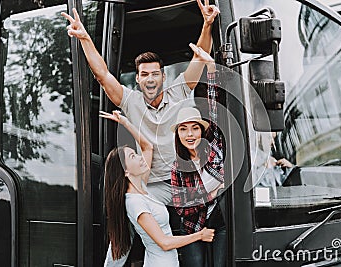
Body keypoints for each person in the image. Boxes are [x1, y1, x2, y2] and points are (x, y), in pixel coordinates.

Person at [61, 0, 220, 204]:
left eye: (155, 74)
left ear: (163, 77)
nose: (150, 79)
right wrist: (85, 39)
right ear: (137, 79)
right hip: (152, 186)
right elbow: (102, 75)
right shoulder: (130, 101)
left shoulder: (179, 90)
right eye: (144, 74)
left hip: (184, 180)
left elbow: (200, 57)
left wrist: (207, 25)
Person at [100, 110, 215, 267]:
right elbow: (164, 243)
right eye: (133, 156)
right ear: (125, 171)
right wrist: (200, 235)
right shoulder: (135, 203)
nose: (140, 157)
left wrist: (125, 123)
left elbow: (147, 147)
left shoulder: (142, 187)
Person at [170, 53, 226, 266]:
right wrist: (212, 192)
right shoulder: (177, 168)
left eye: (195, 128)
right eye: (184, 129)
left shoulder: (214, 147)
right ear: (178, 135)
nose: (190, 134)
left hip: (219, 222)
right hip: (192, 227)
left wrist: (211, 69)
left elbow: (214, 109)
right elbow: (181, 208)